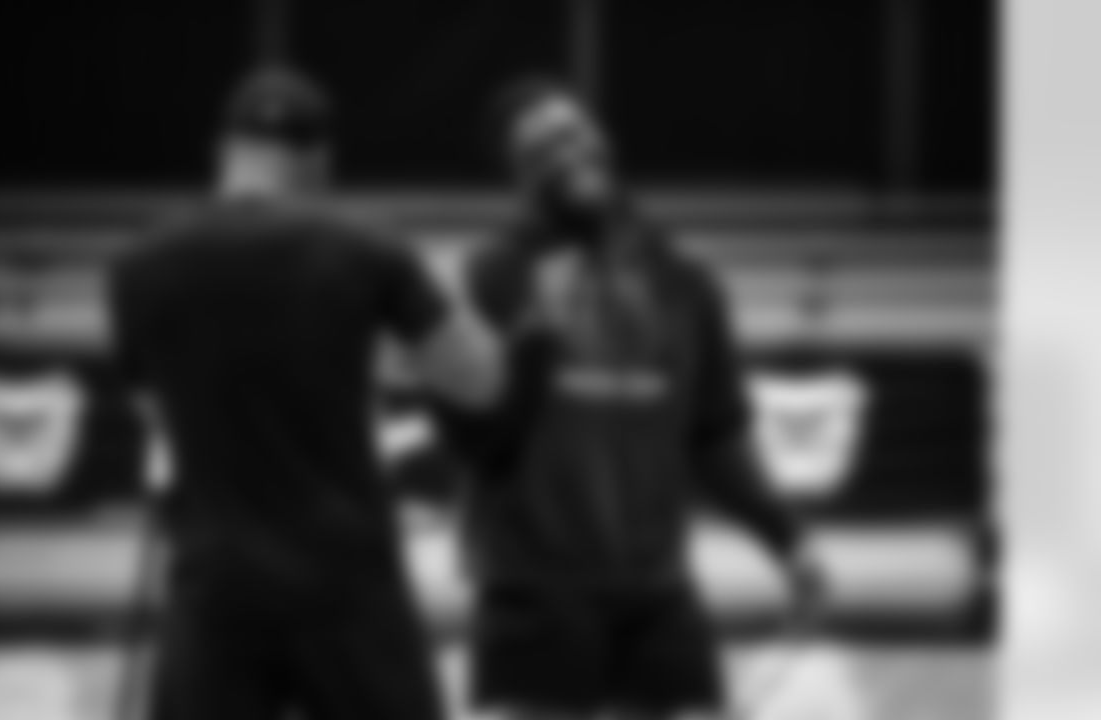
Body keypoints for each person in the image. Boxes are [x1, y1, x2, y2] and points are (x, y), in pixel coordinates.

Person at [107, 67, 503, 720]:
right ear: (320, 159)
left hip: (215, 582)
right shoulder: (368, 248)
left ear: (222, 149)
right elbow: (482, 381)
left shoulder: (137, 267)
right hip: (347, 584)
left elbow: (154, 414)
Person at [436, 77, 828, 720]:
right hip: (534, 593)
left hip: (656, 593)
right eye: (542, 147)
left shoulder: (683, 281)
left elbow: (716, 437)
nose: (568, 151)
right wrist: (534, 338)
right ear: (519, 174)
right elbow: (472, 441)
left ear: (603, 137)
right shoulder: (491, 277)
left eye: (575, 131)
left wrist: (787, 539)